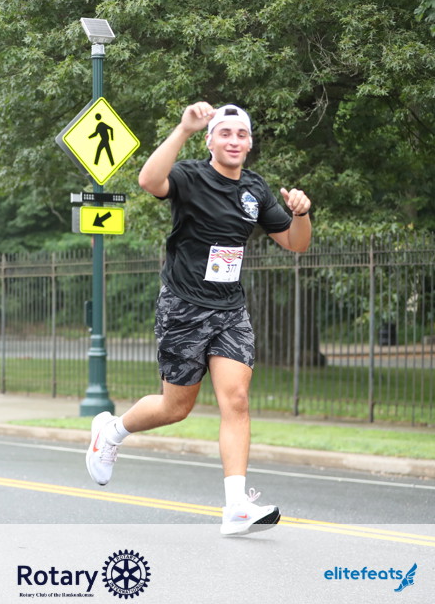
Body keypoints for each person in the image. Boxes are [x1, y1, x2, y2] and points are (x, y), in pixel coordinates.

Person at [84, 103, 312, 536]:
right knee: (176, 408)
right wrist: (184, 128)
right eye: (224, 133)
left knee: (237, 400)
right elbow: (149, 181)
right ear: (210, 141)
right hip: (184, 306)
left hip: (229, 310)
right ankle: (111, 432)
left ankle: (236, 507)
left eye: (241, 134)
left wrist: (300, 213)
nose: (233, 141)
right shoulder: (190, 176)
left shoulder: (255, 190)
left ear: (249, 142)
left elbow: (296, 244)